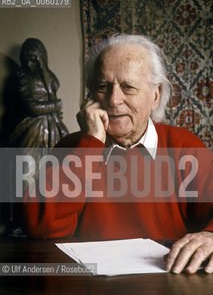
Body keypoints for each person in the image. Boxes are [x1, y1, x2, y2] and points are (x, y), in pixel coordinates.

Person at [22, 34, 213, 274]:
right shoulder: (74, 147)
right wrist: (90, 143)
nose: (113, 100)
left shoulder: (184, 146)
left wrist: (210, 236)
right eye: (103, 87)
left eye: (128, 87)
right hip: (89, 285)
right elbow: (39, 226)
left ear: (155, 96)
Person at [9, 38, 68, 148]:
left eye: (33, 60)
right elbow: (32, 107)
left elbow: (54, 90)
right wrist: (55, 106)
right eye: (26, 60)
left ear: (42, 59)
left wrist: (44, 70)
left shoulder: (49, 78)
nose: (29, 64)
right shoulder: (23, 77)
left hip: (52, 125)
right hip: (33, 126)